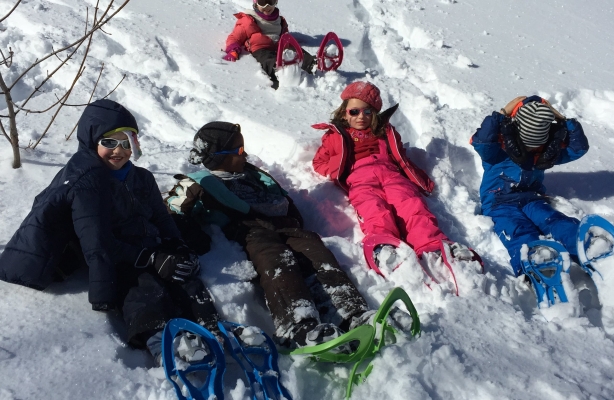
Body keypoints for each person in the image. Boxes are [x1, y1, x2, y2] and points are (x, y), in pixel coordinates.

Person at [0, 99, 215, 363]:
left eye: (127, 143)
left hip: (146, 243)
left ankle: (214, 328)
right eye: (109, 142)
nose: (119, 151)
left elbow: (161, 216)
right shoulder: (89, 183)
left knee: (185, 277)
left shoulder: (142, 177)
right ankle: (161, 340)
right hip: (116, 254)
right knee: (141, 287)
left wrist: (175, 243)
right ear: (92, 142)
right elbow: (98, 243)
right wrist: (149, 259)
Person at [166, 121, 374, 348]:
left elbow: (283, 201)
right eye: (239, 150)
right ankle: (297, 323)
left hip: (283, 226)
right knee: (276, 259)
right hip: (249, 232)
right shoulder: (201, 183)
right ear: (218, 157)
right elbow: (170, 212)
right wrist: (193, 236)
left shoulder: (253, 175)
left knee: (314, 249)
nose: (245, 155)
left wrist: (293, 221)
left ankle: (349, 310)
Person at [311, 81, 477, 270]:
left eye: (367, 111)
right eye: (354, 112)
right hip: (359, 178)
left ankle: (431, 243)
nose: (361, 117)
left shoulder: (384, 131)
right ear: (344, 112)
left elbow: (399, 155)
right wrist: (340, 165)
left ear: (374, 114)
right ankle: (383, 245)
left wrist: (417, 176)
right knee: (373, 207)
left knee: (411, 203)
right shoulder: (335, 136)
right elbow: (319, 163)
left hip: (391, 174)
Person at [470, 95, 589, 275]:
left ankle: (585, 247)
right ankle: (534, 263)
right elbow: (481, 141)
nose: (532, 150)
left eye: (537, 146)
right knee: (519, 231)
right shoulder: (497, 151)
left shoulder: (544, 153)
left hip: (532, 200)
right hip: (499, 203)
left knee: (555, 220)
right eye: (527, 144)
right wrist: (502, 113)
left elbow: (578, 149)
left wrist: (564, 121)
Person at [223, 0, 316, 89]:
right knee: (267, 59)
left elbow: (285, 35)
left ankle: (313, 64)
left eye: (270, 2)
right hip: (260, 48)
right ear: (255, 3)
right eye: (262, 2)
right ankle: (278, 71)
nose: (267, 6)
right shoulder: (248, 20)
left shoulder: (279, 20)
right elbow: (235, 37)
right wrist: (233, 50)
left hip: (279, 46)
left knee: (295, 51)